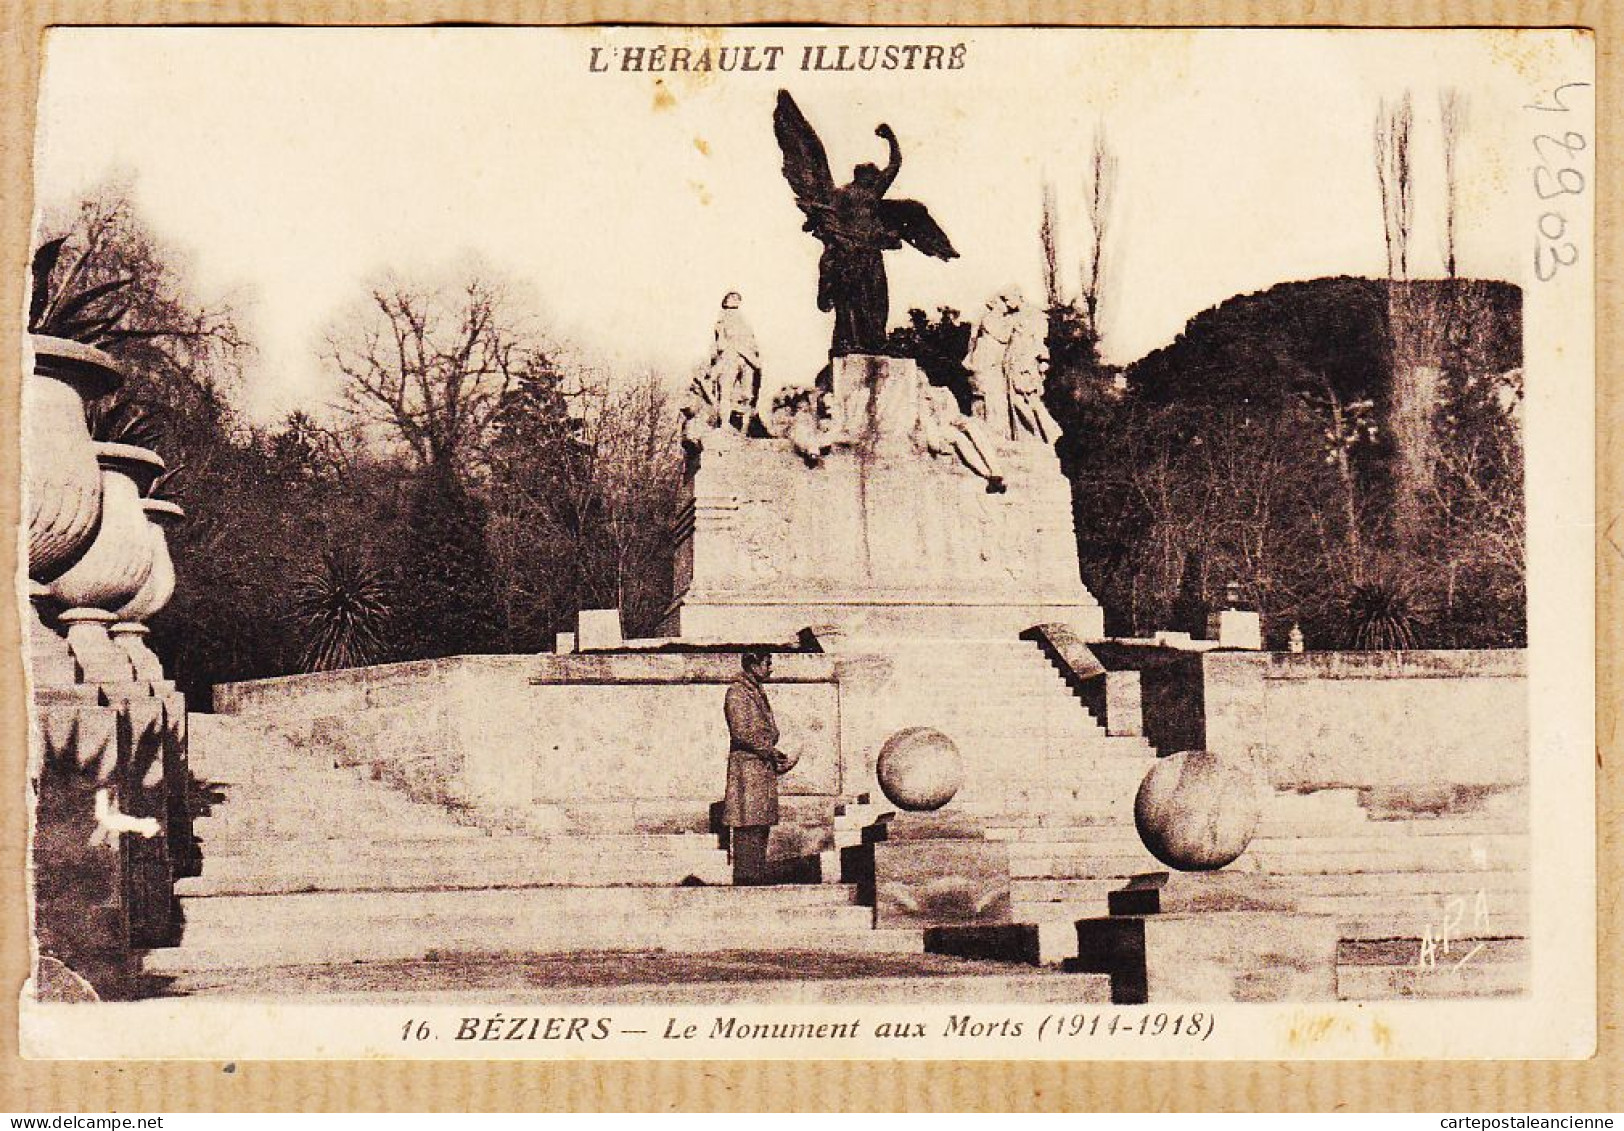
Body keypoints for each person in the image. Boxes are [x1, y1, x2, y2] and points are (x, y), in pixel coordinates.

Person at [722, 650, 791, 885]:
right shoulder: (738, 693)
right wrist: (768, 750)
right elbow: (741, 732)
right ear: (753, 665)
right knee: (748, 825)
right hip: (748, 771)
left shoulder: (756, 692)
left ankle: (756, 877)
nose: (770, 668)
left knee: (760, 824)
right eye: (767, 663)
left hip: (759, 769)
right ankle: (747, 879)